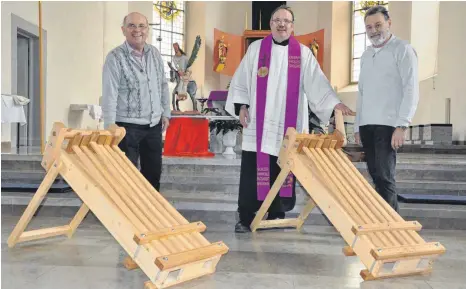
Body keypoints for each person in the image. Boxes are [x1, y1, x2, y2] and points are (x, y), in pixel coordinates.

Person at [225, 5, 354, 233]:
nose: (282, 24)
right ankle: (245, 217)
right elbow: (241, 81)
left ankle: (276, 215)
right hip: (259, 124)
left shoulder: (302, 53)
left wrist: (334, 104)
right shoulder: (256, 50)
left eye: (286, 20)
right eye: (277, 20)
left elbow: (317, 84)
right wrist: (242, 105)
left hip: (289, 125)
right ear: (271, 24)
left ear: (293, 26)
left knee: (283, 167)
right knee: (253, 171)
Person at [354, 5, 419, 212]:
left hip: (388, 124)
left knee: (385, 176)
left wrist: (402, 124)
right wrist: (357, 126)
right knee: (375, 175)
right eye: (369, 27)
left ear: (389, 23)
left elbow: (411, 89)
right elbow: (361, 92)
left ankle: (394, 226)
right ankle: (383, 222)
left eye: (378, 25)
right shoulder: (365, 55)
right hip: (367, 125)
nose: (373, 31)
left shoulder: (403, 49)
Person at [102, 12, 171, 192]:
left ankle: (151, 215)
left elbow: (162, 85)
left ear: (147, 30)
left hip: (153, 125)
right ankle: (127, 217)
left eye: (141, 26)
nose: (137, 30)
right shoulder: (114, 58)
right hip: (127, 127)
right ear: (123, 30)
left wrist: (166, 113)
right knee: (127, 177)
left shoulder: (154, 53)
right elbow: (110, 94)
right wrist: (110, 127)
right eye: (132, 26)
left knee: (153, 174)